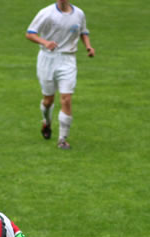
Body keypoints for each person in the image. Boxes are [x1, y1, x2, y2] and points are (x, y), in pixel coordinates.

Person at [26, 0, 95, 150]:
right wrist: (45, 42)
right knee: (48, 100)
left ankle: (62, 139)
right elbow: (30, 33)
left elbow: (83, 31)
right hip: (47, 58)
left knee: (66, 98)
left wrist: (88, 46)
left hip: (68, 59)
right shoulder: (46, 13)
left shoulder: (79, 13)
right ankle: (46, 121)